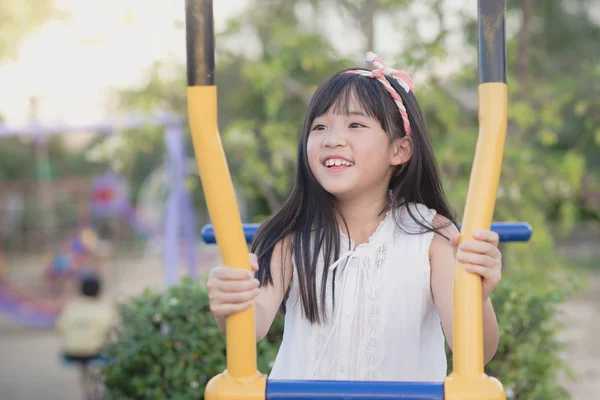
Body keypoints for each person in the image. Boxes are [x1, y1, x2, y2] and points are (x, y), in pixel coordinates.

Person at [207, 52, 503, 382]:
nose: (332, 139)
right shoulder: (292, 235)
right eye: (319, 126)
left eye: (355, 124)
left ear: (400, 149)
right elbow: (251, 326)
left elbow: (474, 349)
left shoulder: (432, 236)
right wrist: (232, 301)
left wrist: (479, 297)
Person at [56, 274, 113, 399]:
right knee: (107, 357)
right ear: (99, 291)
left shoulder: (71, 308)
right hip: (94, 351)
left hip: (72, 352)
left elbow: (59, 328)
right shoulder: (101, 309)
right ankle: (97, 392)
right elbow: (111, 328)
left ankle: (86, 393)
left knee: (84, 367)